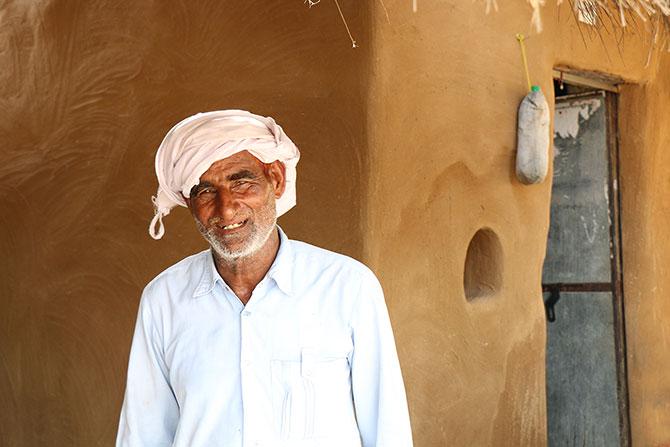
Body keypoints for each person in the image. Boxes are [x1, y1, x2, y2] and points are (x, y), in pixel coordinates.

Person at [116, 110, 413, 447]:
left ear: (276, 179)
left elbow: (388, 432)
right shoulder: (164, 300)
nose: (226, 209)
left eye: (241, 182)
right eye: (205, 191)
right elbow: (143, 436)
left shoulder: (348, 288)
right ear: (189, 201)